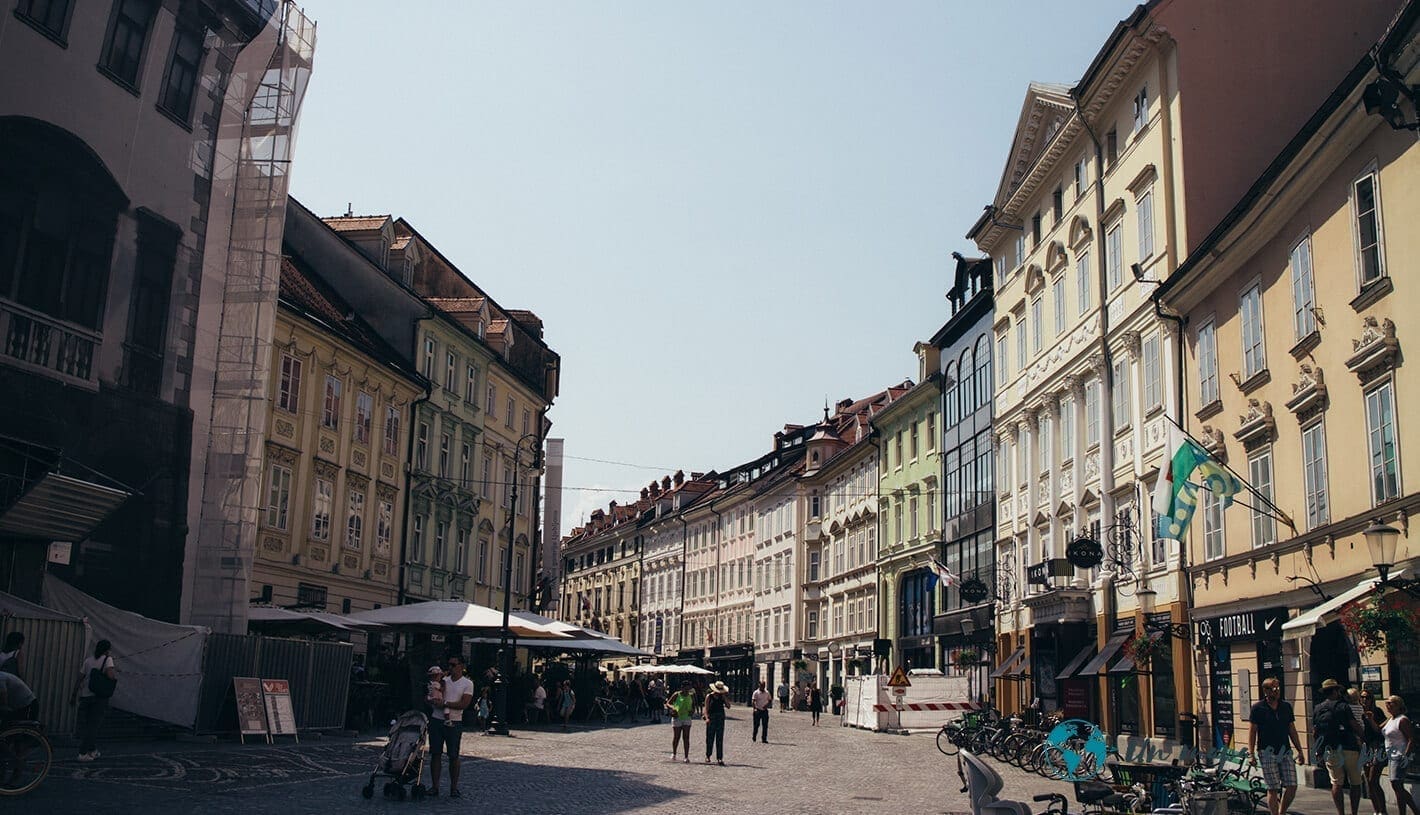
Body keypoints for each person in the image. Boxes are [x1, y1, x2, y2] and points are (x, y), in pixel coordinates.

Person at [1247, 676, 1305, 815]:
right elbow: (1252, 731)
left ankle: (1282, 812)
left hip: (1285, 750)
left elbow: (1292, 729)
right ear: (1266, 691)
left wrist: (1300, 750)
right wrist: (1251, 754)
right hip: (1266, 751)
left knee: (1292, 785)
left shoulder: (1285, 707)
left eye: (1278, 687)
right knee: (1273, 787)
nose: (1277, 690)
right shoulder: (1258, 708)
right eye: (1274, 688)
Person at [1314, 678, 1365, 815]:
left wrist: (1318, 749)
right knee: (1355, 781)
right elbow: (1354, 725)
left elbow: (1315, 731)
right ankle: (1354, 812)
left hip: (1330, 749)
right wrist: (1363, 737)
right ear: (1336, 691)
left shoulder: (1318, 708)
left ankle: (1340, 813)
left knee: (1336, 783)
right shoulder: (1343, 706)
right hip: (1349, 747)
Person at [427, 655, 473, 799]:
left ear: (461, 666)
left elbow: (464, 704)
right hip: (437, 719)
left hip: (454, 721)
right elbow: (432, 694)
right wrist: (431, 699)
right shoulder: (442, 680)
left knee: (453, 755)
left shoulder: (467, 683)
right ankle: (435, 787)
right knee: (435, 753)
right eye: (449, 664)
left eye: (453, 664)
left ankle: (454, 788)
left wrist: (446, 704)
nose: (450, 667)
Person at [70, 639, 116, 761]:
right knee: (94, 726)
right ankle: (83, 752)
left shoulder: (88, 660)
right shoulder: (108, 660)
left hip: (85, 696)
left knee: (88, 725)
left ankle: (92, 750)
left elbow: (80, 678)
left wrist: (74, 695)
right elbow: (111, 676)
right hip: (98, 697)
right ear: (107, 649)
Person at [1382, 695, 1419, 815]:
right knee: (1397, 785)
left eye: (1391, 703)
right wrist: (1370, 719)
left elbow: (1411, 739)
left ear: (1399, 705)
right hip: (1391, 755)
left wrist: (1405, 755)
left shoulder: (1402, 720)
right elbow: (1379, 729)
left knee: (1396, 783)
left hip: (1400, 755)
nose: (1388, 705)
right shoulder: (1390, 719)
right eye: (1387, 703)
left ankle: (1405, 812)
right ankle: (1414, 811)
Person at [1359, 689, 1389, 815]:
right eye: (1362, 697)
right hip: (1366, 748)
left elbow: (1379, 731)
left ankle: (1383, 811)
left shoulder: (1377, 712)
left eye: (1368, 697)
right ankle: (1376, 810)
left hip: (1377, 747)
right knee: (1368, 782)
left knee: (1373, 780)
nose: (1365, 700)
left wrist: (1371, 719)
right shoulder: (1359, 713)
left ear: (1372, 699)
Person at [666, 680, 694, 763]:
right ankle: (674, 753)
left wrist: (692, 711)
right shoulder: (676, 694)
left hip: (687, 717)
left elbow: (693, 706)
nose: (687, 690)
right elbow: (668, 703)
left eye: (688, 689)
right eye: (686, 688)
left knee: (686, 737)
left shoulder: (691, 696)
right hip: (677, 717)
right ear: (682, 687)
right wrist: (672, 708)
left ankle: (686, 756)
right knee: (676, 737)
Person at [703, 680, 730, 765]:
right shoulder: (709, 696)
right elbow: (706, 709)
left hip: (720, 718)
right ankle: (708, 755)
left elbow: (728, 706)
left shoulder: (722, 697)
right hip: (711, 718)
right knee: (709, 738)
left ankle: (719, 757)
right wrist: (707, 718)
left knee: (719, 738)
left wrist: (724, 697)